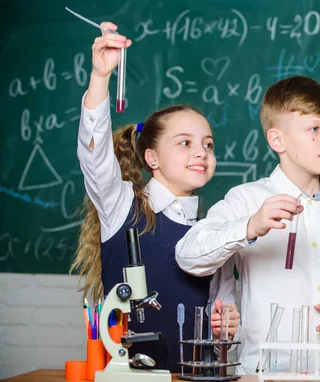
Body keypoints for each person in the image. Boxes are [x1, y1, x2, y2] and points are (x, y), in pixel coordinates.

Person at [70, 22, 239, 372]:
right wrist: (101, 76)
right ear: (152, 159)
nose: (201, 152)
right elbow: (94, 153)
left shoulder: (214, 229)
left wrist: (227, 321)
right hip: (130, 374)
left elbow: (223, 305)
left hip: (197, 375)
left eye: (208, 144)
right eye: (185, 143)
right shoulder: (122, 207)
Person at [176, 76, 320, 374]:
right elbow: (188, 256)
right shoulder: (246, 200)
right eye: (315, 129)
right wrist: (250, 227)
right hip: (263, 372)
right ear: (276, 139)